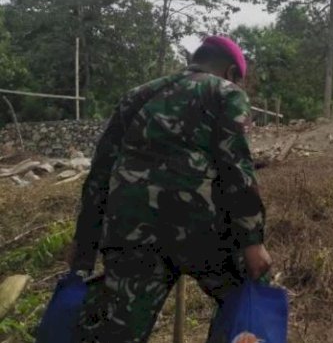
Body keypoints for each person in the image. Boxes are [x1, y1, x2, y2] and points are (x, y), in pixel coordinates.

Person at [67, 35, 272, 342]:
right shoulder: (225, 93)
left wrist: (83, 249)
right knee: (251, 290)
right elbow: (237, 170)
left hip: (131, 231)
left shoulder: (137, 95)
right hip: (200, 232)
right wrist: (252, 242)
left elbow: (99, 175)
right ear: (230, 73)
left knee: (119, 329)